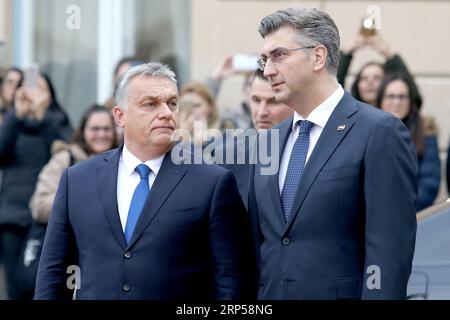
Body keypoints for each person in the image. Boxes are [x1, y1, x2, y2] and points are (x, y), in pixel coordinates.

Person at [35, 62, 254, 300]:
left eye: (172, 103)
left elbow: (231, 281)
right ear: (120, 116)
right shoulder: (77, 181)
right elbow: (53, 274)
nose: (166, 113)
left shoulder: (213, 183)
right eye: (150, 104)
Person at [249, 8, 418, 299]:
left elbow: (388, 256)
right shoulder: (269, 141)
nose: (267, 70)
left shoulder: (379, 132)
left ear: (317, 56)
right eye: (264, 60)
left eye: (279, 56)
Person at [0, 72, 72, 300]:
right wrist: (17, 114)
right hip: (13, 218)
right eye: (29, 88)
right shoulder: (10, 122)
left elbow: (63, 152)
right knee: (15, 288)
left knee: (44, 285)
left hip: (45, 219)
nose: (34, 94)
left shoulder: (58, 122)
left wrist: (43, 116)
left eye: (41, 89)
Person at [376, 73, 440, 210]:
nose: (396, 102)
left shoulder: (425, 133)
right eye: (391, 96)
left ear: (411, 101)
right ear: (380, 99)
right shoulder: (367, 131)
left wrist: (398, 209)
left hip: (414, 216)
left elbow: (429, 186)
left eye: (402, 97)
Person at [337, 33, 422, 109]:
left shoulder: (396, 112)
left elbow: (412, 96)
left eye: (377, 77)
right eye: (364, 78)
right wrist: (346, 54)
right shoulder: (347, 112)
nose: (370, 82)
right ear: (357, 86)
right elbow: (333, 86)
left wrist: (389, 54)